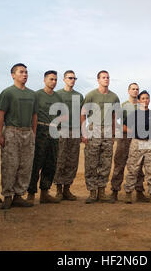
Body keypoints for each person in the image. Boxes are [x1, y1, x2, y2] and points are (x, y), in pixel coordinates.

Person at [0, 63, 37, 210]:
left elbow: (34, 115)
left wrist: (33, 133)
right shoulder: (8, 93)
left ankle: (19, 195)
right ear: (13, 75)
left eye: (26, 72)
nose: (24, 74)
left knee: (25, 165)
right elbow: (1, 115)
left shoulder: (32, 94)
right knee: (10, 165)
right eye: (21, 72)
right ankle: (7, 196)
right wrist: (0, 134)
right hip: (12, 131)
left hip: (27, 132)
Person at [81, 70, 120, 204]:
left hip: (108, 131)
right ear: (98, 80)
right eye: (103, 77)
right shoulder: (91, 95)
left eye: (108, 77)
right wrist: (84, 133)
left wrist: (114, 133)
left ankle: (102, 192)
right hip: (94, 129)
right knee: (91, 162)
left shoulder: (114, 97)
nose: (106, 79)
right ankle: (92, 192)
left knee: (106, 162)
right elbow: (83, 115)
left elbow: (115, 116)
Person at [27, 71, 62, 204]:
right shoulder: (37, 95)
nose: (53, 82)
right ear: (44, 80)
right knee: (36, 162)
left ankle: (45, 192)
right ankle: (31, 194)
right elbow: (32, 114)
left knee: (51, 162)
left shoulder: (58, 97)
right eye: (51, 79)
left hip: (53, 130)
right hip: (40, 129)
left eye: (55, 80)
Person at [123, 91, 151, 204]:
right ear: (139, 100)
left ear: (149, 100)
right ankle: (128, 194)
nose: (145, 100)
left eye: (147, 98)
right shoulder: (134, 114)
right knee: (133, 169)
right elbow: (124, 128)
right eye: (143, 98)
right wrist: (135, 131)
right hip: (136, 143)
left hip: (149, 143)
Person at [110, 83, 147, 203]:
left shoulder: (142, 106)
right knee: (119, 164)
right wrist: (123, 129)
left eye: (137, 89)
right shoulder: (124, 106)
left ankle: (139, 191)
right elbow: (115, 120)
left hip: (138, 138)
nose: (135, 91)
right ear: (128, 91)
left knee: (139, 165)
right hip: (124, 138)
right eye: (133, 89)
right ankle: (114, 191)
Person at [52, 70, 83, 201]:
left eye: (74, 78)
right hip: (61, 130)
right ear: (64, 79)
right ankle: (58, 189)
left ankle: (67, 189)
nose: (72, 80)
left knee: (72, 160)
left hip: (75, 131)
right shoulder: (57, 94)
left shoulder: (79, 96)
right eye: (70, 78)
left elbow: (82, 115)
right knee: (60, 159)